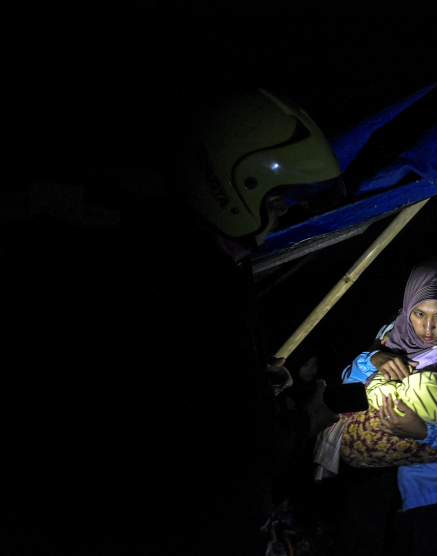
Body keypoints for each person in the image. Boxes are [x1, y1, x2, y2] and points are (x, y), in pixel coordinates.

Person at [4, 89, 342, 555]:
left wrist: (251, 382)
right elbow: (248, 446)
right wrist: (309, 418)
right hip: (179, 524)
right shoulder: (201, 286)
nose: (285, 208)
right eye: (277, 194)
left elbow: (198, 391)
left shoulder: (188, 255)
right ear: (236, 188)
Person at [337, 259, 437, 556]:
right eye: (420, 313)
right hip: (374, 478)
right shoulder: (392, 332)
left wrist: (424, 431)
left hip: (429, 489)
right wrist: (373, 359)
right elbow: (349, 389)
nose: (427, 327)